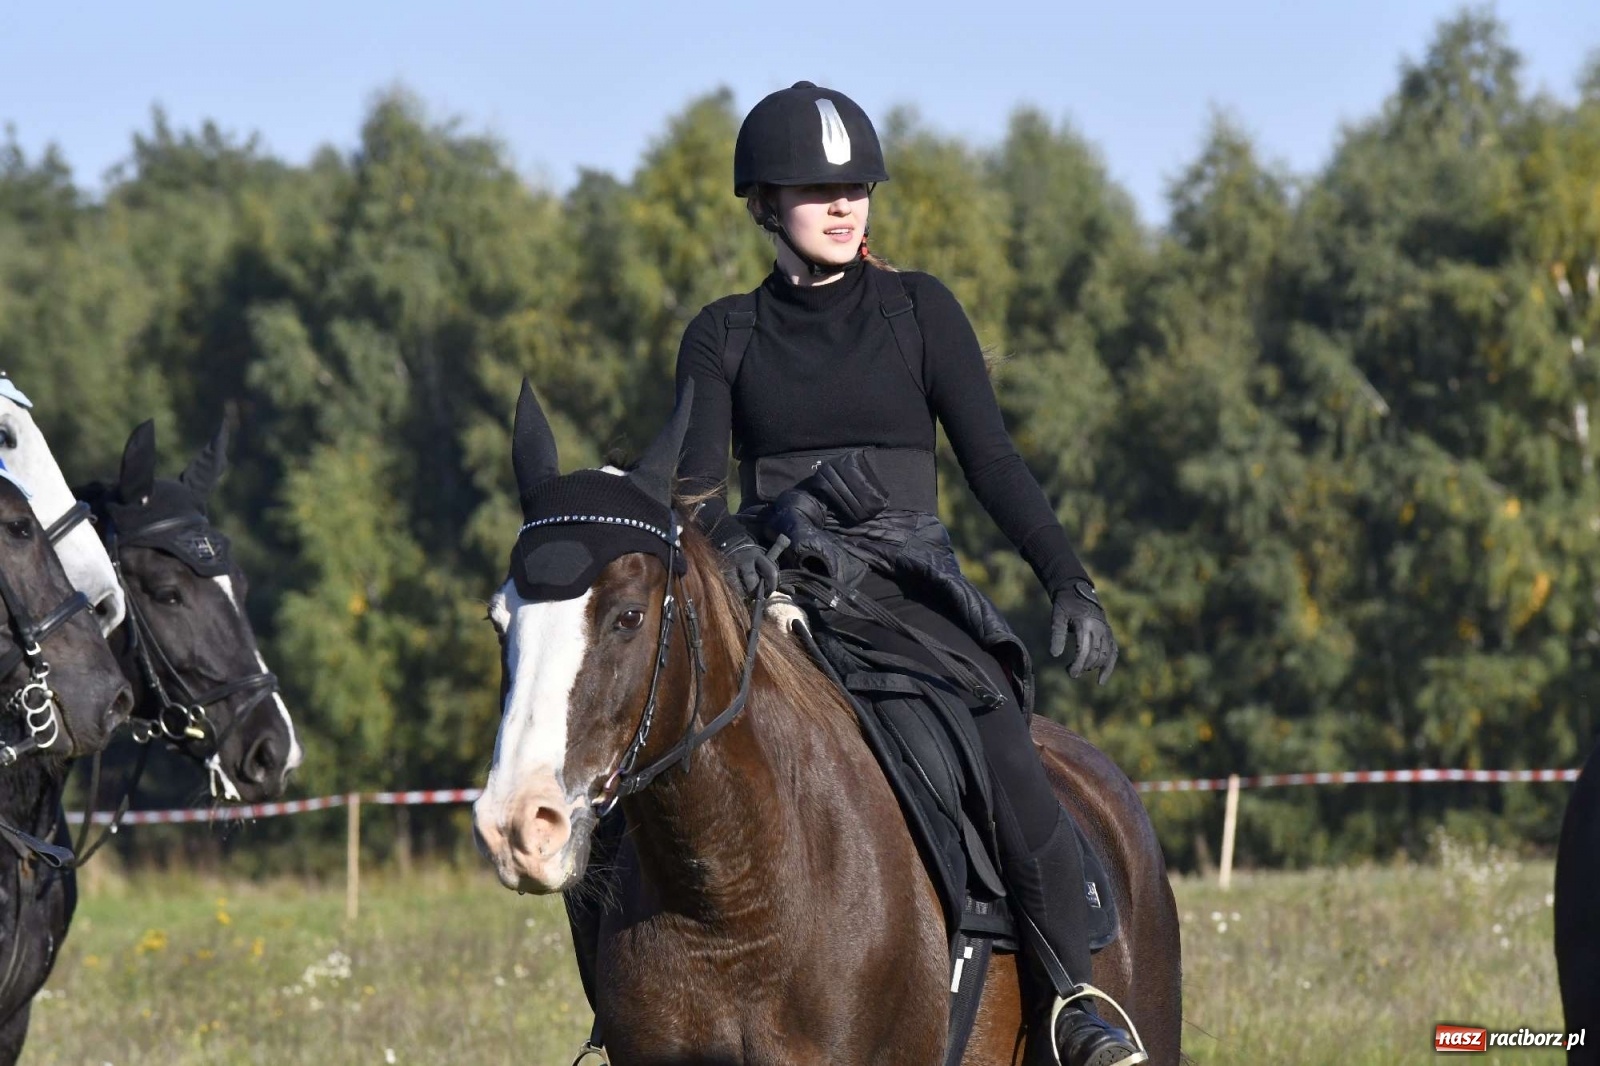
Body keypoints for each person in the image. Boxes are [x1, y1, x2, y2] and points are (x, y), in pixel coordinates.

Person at [668, 81, 1141, 1066]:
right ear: (763, 203)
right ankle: (632, 1007)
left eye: (857, 188)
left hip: (904, 588)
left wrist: (1068, 578)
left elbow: (994, 463)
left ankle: (1073, 1001)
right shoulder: (724, 334)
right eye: (815, 188)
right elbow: (693, 492)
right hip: (778, 589)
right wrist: (744, 541)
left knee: (1000, 743)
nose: (843, 206)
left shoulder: (920, 310)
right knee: (660, 759)